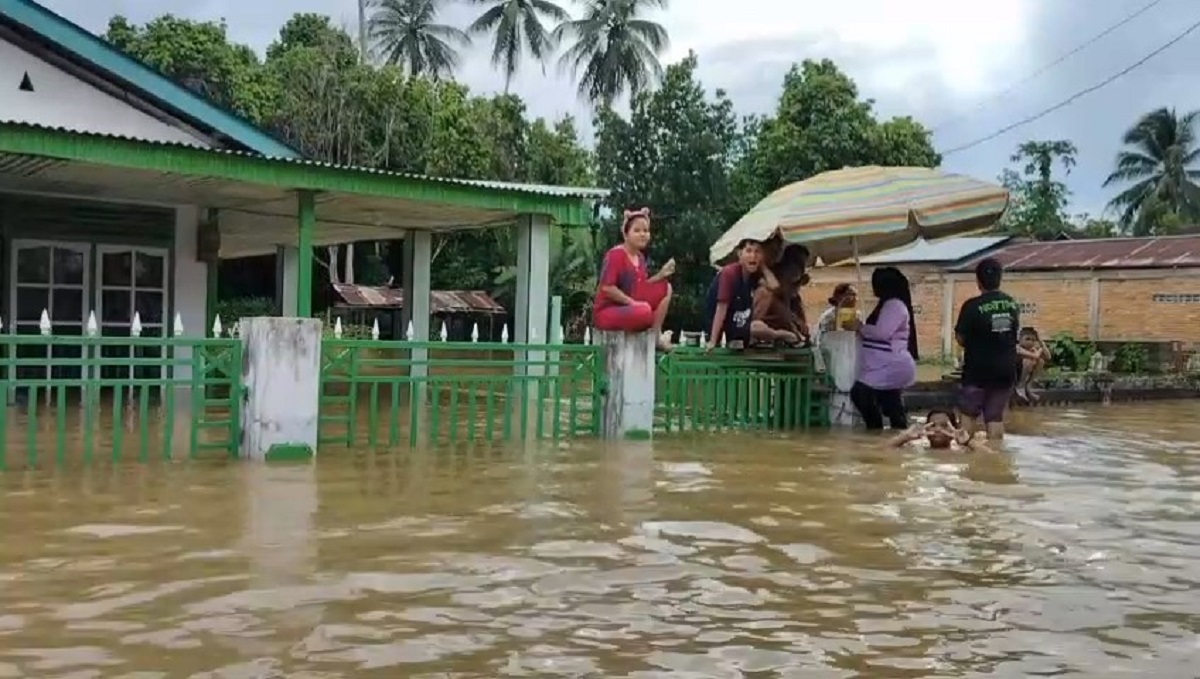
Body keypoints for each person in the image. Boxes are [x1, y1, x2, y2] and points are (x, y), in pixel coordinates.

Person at [954, 257, 1020, 440]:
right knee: (995, 417)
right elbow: (1013, 335)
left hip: (978, 370)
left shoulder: (972, 306)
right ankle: (996, 459)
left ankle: (966, 460)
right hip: (1006, 370)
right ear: (1000, 278)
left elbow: (960, 338)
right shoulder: (1012, 304)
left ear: (978, 280)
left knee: (968, 415)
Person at [846, 266, 918, 430]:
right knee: (891, 405)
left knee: (860, 393)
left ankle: (875, 431)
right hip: (884, 365)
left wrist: (860, 327)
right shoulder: (890, 304)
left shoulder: (894, 305)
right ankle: (892, 439)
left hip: (888, 365)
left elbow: (883, 332)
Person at [593, 207, 675, 350]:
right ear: (626, 234)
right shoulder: (616, 255)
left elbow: (641, 286)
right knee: (644, 312)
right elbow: (607, 288)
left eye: (646, 231)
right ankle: (648, 325)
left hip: (631, 306)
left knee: (666, 288)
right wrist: (632, 303)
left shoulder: (640, 258)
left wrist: (661, 275)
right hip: (609, 311)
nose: (643, 234)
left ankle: (656, 337)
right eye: (637, 231)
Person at [704, 239, 764, 350]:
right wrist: (712, 341)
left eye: (757, 252)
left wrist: (763, 267)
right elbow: (721, 308)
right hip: (717, 320)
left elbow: (774, 286)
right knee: (757, 328)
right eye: (749, 251)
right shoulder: (729, 273)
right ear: (740, 254)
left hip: (739, 318)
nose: (753, 256)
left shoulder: (755, 275)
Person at [750, 244, 810, 347]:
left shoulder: (793, 294)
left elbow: (802, 326)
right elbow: (754, 325)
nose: (801, 269)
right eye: (799, 264)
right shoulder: (766, 290)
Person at [889, 409, 991, 452]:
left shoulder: (962, 451)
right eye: (933, 425)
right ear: (926, 428)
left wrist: (968, 442)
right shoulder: (916, 448)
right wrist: (904, 437)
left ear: (954, 428)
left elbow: (992, 458)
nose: (938, 429)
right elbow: (879, 451)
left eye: (944, 425)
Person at [1015, 327, 1052, 403]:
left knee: (1041, 361)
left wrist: (1041, 342)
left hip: (1025, 373)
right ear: (1020, 339)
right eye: (1027, 339)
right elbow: (1035, 356)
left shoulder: (1033, 349)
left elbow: (1048, 357)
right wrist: (1039, 351)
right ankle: (1020, 386)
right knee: (1028, 361)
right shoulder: (1017, 347)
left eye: (1033, 340)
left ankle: (1028, 386)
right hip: (1014, 373)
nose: (1030, 342)